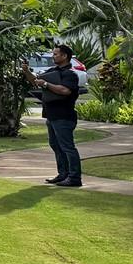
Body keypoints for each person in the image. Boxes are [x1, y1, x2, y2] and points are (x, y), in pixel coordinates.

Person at [32, 44, 82, 188]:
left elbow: (65, 91)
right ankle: (63, 174)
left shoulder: (70, 74)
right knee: (56, 145)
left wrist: (46, 84)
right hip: (51, 116)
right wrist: (26, 72)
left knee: (67, 147)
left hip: (64, 116)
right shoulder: (52, 71)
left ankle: (74, 178)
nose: (53, 56)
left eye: (55, 54)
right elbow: (36, 82)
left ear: (64, 56)